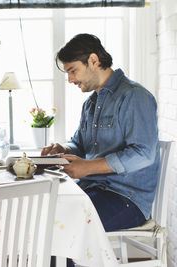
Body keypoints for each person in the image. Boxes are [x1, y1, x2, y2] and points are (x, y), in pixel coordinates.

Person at [43, 33, 159, 267]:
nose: (70, 80)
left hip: (127, 199)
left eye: (72, 70)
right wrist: (63, 148)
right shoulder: (91, 103)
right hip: (94, 189)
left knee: (61, 228)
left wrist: (87, 167)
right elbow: (80, 144)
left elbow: (144, 153)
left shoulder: (134, 96)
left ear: (93, 60)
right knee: (47, 216)